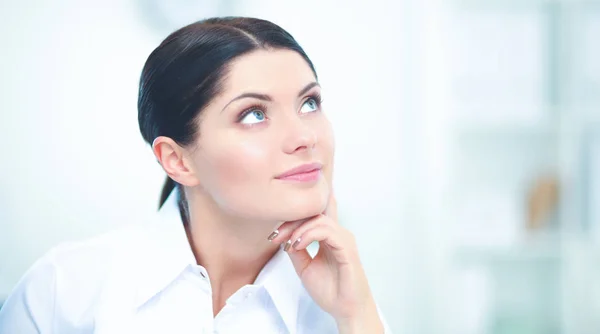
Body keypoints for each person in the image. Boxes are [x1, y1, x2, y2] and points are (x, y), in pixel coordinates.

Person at [0, 17, 391, 333]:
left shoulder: (341, 311)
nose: (305, 137)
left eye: (309, 103)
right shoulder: (63, 292)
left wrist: (356, 316)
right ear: (177, 160)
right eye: (254, 114)